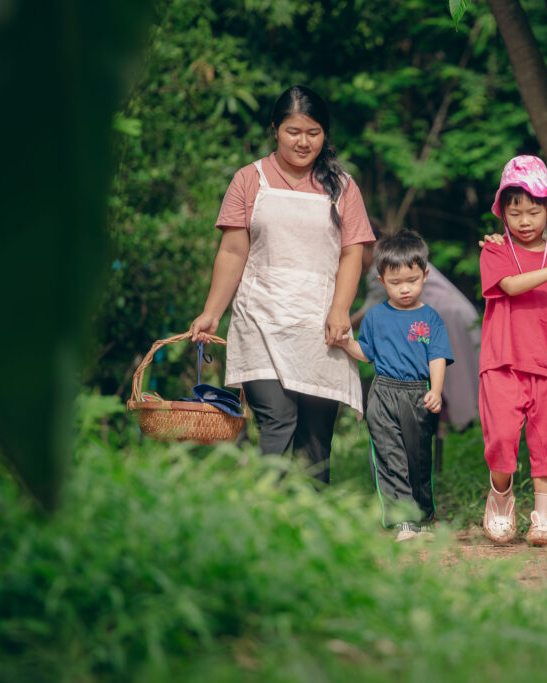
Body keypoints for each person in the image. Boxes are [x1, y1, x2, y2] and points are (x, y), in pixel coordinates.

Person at [190, 85, 374, 483]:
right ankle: (264, 510)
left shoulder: (343, 186)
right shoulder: (249, 179)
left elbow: (352, 254)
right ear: (275, 129)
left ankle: (310, 517)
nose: (303, 142)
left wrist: (340, 310)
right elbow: (233, 252)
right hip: (259, 321)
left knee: (315, 441)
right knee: (277, 419)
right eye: (294, 131)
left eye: (313, 132)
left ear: (324, 134)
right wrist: (211, 312)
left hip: (320, 327)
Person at [479, 155, 547, 547]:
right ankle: (500, 498)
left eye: (534, 212)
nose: (525, 221)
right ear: (502, 213)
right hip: (502, 363)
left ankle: (543, 520)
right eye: (515, 212)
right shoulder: (495, 251)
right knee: (501, 438)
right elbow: (508, 286)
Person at [335, 230, 454, 542]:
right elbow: (367, 353)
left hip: (418, 395)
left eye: (412, 280)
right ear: (381, 280)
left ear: (425, 275)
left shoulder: (430, 318)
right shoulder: (375, 316)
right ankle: (404, 522)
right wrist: (347, 343)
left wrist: (435, 390)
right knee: (390, 458)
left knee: (418, 459)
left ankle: (423, 518)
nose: (404, 288)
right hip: (383, 393)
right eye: (395, 282)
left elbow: (437, 356)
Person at [352, 223, 481, 430]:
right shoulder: (396, 253)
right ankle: (452, 431)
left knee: (455, 381)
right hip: (453, 315)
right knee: (453, 381)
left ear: (366, 245)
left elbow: (371, 310)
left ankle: (462, 429)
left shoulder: (385, 260)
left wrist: (343, 325)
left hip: (446, 318)